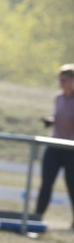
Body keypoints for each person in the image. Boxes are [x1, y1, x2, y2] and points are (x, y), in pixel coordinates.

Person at [33, 64, 74, 228]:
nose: (61, 83)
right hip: (54, 145)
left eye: (64, 80)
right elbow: (59, 117)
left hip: (71, 148)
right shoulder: (58, 98)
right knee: (46, 183)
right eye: (60, 79)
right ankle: (36, 218)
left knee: (72, 185)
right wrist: (50, 121)